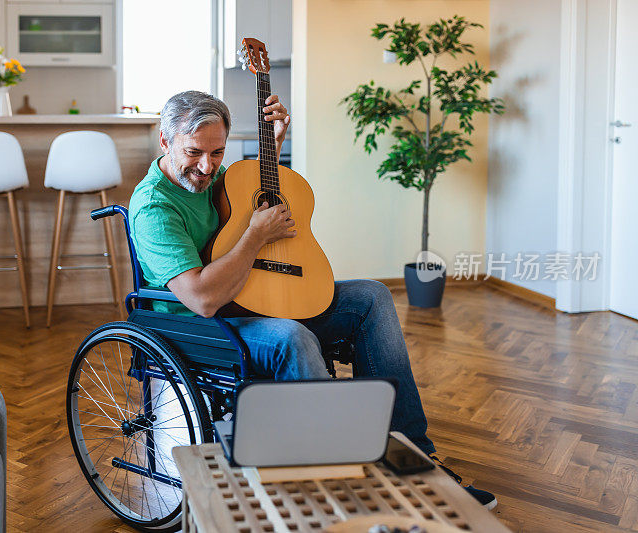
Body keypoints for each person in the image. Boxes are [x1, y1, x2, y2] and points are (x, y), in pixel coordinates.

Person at [128, 90, 496, 510]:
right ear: (164, 140)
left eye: (217, 152)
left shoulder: (214, 178)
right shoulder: (154, 206)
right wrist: (256, 235)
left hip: (249, 302)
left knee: (372, 297)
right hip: (198, 328)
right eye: (194, 152)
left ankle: (412, 458)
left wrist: (274, 147)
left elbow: (248, 197)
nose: (207, 166)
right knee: (292, 336)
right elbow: (203, 298)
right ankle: (332, 479)